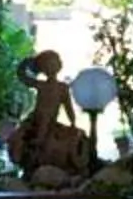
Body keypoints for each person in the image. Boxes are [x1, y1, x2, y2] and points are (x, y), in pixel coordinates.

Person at [8, 51, 90, 179]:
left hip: (50, 120)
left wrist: (73, 122)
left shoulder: (62, 87)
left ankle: (42, 146)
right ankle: (24, 156)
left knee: (48, 121)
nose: (50, 67)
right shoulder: (41, 85)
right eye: (46, 64)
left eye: (53, 63)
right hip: (36, 118)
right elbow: (23, 77)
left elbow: (68, 107)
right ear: (42, 69)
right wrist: (28, 62)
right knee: (19, 135)